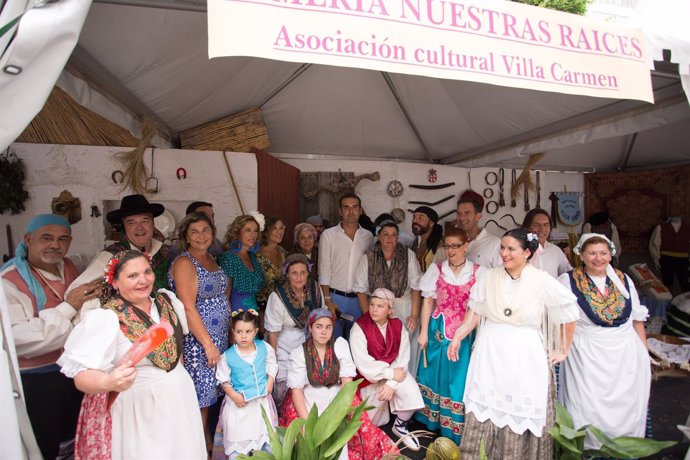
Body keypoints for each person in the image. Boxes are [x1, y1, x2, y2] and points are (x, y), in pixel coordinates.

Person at [58, 250, 206, 459]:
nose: (143, 280)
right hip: (139, 408)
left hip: (179, 398)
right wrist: (108, 381)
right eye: (132, 276)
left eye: (147, 272)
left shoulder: (167, 302)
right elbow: (82, 377)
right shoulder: (106, 318)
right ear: (115, 282)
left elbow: (175, 354)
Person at [448, 228, 578, 460]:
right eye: (502, 247)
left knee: (520, 407)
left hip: (524, 354)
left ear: (527, 253)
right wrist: (459, 335)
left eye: (511, 249)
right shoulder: (488, 277)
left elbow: (569, 310)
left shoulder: (541, 280)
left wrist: (563, 347)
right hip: (490, 351)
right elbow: (475, 312)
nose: (504, 253)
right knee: (484, 408)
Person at [0, 214, 100, 459]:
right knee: (45, 442)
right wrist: (69, 307)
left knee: (73, 438)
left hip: (73, 370)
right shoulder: (9, 282)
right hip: (38, 378)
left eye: (62, 239)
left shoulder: (67, 266)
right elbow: (20, 339)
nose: (55, 245)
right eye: (47, 238)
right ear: (28, 239)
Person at [558, 233, 650, 450]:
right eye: (592, 253)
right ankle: (589, 448)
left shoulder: (623, 279)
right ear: (581, 254)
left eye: (603, 253)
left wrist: (644, 352)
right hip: (586, 353)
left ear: (611, 254)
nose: (598, 258)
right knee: (586, 404)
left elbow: (636, 319)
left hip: (625, 353)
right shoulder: (568, 281)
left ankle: (622, 447)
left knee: (625, 404)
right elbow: (560, 320)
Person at [280, 308, 396, 460]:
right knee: (304, 441)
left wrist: (339, 412)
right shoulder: (299, 354)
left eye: (328, 327)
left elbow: (347, 383)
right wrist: (307, 422)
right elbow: (297, 391)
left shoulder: (339, 346)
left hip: (337, 396)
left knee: (350, 434)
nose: (324, 332)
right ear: (310, 327)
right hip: (309, 398)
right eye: (319, 327)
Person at [415, 228, 485, 444]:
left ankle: (455, 426)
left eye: (456, 245)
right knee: (434, 375)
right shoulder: (437, 270)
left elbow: (479, 307)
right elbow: (428, 300)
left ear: (466, 246)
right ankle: (432, 422)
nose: (451, 250)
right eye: (447, 246)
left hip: (465, 331)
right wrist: (423, 331)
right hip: (438, 330)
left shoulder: (479, 272)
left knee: (458, 377)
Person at [168, 212, 231, 446]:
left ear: (212, 233)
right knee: (201, 401)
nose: (201, 236)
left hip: (218, 338)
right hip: (199, 343)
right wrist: (208, 345)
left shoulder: (212, 258)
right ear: (186, 236)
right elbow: (187, 307)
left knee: (213, 398)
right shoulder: (185, 262)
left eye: (205, 230)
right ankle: (197, 449)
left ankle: (209, 446)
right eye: (194, 232)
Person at [349, 288, 424, 451]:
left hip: (394, 374)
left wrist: (391, 383)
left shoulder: (398, 325)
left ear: (390, 310)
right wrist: (389, 374)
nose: (374, 309)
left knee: (411, 390)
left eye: (380, 306)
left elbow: (403, 358)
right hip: (370, 377)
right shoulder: (359, 327)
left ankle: (400, 426)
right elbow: (363, 364)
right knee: (372, 421)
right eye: (372, 304)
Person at [69, 194, 171, 314]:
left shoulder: (162, 252)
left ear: (153, 224)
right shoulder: (110, 256)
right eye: (131, 223)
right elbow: (75, 291)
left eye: (145, 221)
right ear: (123, 228)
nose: (139, 228)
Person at [353, 219, 422, 377]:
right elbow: (361, 290)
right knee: (380, 345)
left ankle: (403, 380)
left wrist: (414, 314)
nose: (390, 239)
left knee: (403, 347)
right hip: (378, 308)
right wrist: (368, 316)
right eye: (385, 235)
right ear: (378, 236)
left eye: (394, 235)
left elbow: (416, 286)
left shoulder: (407, 255)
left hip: (403, 306)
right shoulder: (369, 257)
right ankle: (383, 378)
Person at [216, 309, 278, 459]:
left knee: (265, 441)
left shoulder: (264, 347)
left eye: (248, 331)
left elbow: (272, 364)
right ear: (233, 332)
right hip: (240, 408)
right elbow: (223, 379)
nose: (243, 336)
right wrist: (233, 395)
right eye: (239, 332)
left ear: (256, 331)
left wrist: (270, 381)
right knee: (239, 444)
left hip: (260, 403)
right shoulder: (228, 356)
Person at [265, 253, 324, 406]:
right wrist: (274, 360)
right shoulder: (278, 296)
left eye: (302, 273)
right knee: (283, 386)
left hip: (307, 342)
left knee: (306, 384)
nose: (299, 277)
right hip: (283, 344)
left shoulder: (315, 289)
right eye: (294, 273)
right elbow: (273, 332)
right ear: (287, 274)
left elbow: (321, 317)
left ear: (308, 273)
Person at [319, 193, 374, 339]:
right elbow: (324, 269)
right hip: (335, 298)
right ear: (340, 211)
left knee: (356, 345)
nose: (351, 211)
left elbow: (371, 269)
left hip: (359, 300)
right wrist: (328, 300)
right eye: (346, 207)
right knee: (334, 344)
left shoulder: (368, 237)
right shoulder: (328, 235)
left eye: (355, 207)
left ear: (360, 210)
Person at [218, 214, 265, 313]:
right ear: (238, 232)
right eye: (248, 230)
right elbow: (225, 293)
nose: (253, 235)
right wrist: (229, 320)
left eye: (255, 231)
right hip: (236, 313)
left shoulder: (252, 257)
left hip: (253, 314)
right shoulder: (228, 258)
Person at [454, 190, 501, 268]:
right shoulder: (450, 244)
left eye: (467, 213)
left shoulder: (495, 244)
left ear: (478, 216)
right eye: (459, 213)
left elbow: (501, 276)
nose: (462, 218)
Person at [522, 208, 572, 278]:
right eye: (536, 225)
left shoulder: (556, 251)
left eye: (546, 225)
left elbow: (569, 276)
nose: (542, 229)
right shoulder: (519, 250)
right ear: (527, 227)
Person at [649, 216, 690, 292]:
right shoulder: (661, 227)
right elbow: (655, 244)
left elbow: (655, 244)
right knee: (668, 284)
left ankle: (683, 303)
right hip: (667, 259)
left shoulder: (687, 227)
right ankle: (668, 302)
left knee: (685, 284)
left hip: (681, 260)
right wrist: (657, 259)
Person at [256, 216, 288, 308]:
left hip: (283, 306)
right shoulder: (258, 256)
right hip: (264, 307)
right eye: (275, 228)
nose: (279, 232)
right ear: (266, 231)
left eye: (281, 228)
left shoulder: (282, 252)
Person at [410, 206, 444, 272]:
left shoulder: (439, 245)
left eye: (420, 218)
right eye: (414, 217)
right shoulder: (417, 241)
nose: (414, 220)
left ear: (431, 223)